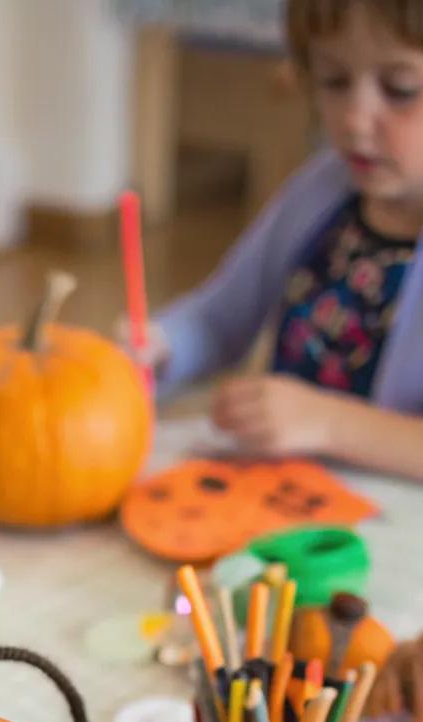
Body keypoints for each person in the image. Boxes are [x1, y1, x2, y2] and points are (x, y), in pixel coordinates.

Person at [130, 0, 423, 480]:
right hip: (280, 503)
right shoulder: (319, 189)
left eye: (400, 89)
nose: (354, 119)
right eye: (333, 81)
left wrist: (327, 422)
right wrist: (160, 347)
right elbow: (216, 322)